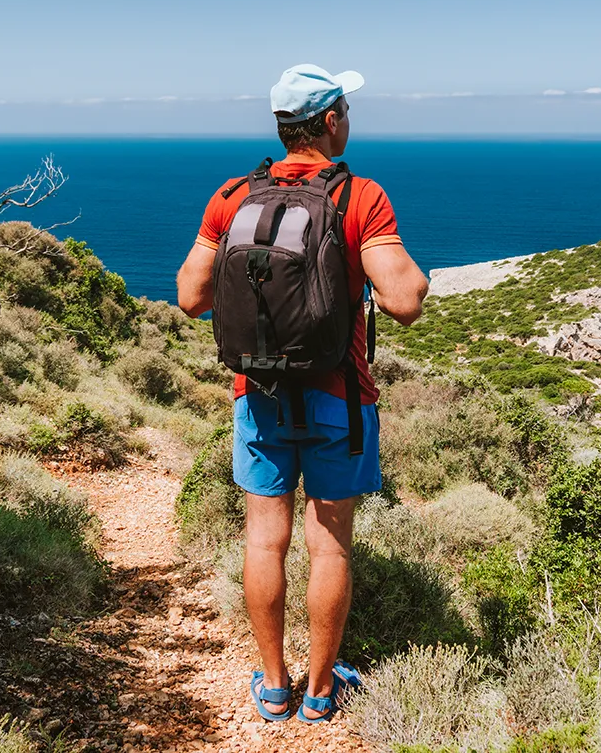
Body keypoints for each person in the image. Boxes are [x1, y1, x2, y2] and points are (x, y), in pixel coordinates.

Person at [177, 64, 428, 724]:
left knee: (264, 540)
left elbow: (190, 296)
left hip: (257, 395)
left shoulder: (232, 196)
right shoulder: (360, 197)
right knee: (329, 544)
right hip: (339, 399)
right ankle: (319, 693)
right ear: (330, 121)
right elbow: (404, 300)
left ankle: (272, 686)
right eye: (346, 109)